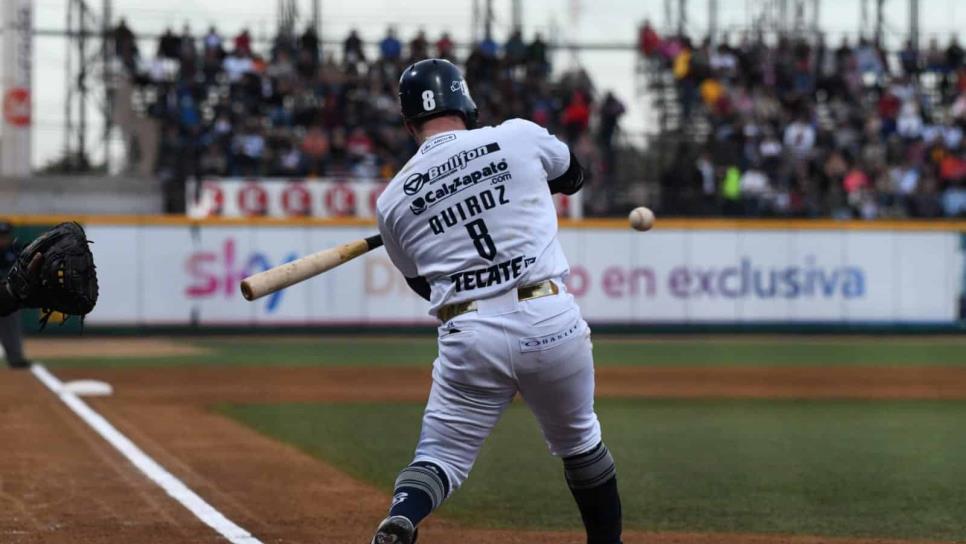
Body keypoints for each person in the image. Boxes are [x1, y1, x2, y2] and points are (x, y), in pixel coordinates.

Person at [370, 59, 622, 544]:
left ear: (408, 124)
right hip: (549, 318)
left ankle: (403, 516)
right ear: (466, 104)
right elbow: (573, 176)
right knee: (580, 443)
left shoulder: (393, 200)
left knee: (440, 457)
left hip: (470, 331)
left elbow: (423, 286)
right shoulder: (518, 136)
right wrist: (507, 185)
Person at [0, 222, 28, 368]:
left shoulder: (15, 248)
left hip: (7, 294)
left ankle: (15, 358)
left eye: (4, 236)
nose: (2, 239)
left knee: (11, 326)